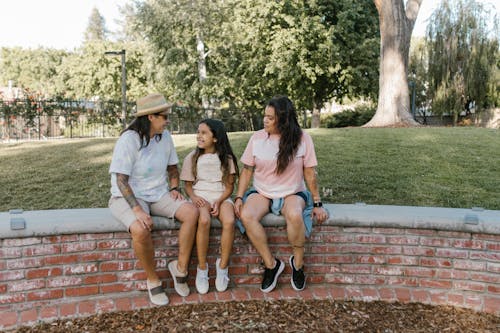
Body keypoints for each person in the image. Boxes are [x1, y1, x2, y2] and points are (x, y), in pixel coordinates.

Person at [108, 93, 199, 305]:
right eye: (164, 116)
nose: (168, 120)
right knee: (140, 229)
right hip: (127, 196)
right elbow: (121, 181)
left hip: (158, 193)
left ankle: (180, 268)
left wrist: (175, 187)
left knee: (191, 212)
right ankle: (152, 279)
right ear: (150, 117)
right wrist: (138, 210)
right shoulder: (128, 140)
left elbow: (173, 169)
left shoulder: (165, 137)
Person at [234, 95, 328, 293]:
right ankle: (271, 265)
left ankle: (298, 265)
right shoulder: (257, 138)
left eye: (270, 117)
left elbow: (309, 174)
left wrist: (318, 203)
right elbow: (247, 171)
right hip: (262, 192)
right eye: (265, 116)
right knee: (247, 216)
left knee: (294, 214)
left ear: (283, 119)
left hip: (292, 192)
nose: (265, 120)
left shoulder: (303, 139)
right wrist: (239, 197)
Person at [180, 119, 239, 293]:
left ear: (215, 138)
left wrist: (220, 201)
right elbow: (188, 186)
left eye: (204, 132)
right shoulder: (192, 157)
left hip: (220, 196)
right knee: (204, 220)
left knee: (229, 221)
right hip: (200, 196)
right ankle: (202, 268)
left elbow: (229, 187)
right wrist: (194, 197)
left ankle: (222, 267)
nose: (199, 136)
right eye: (198, 132)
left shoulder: (226, 159)